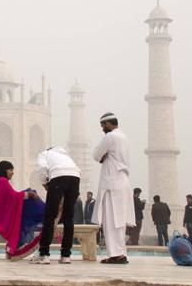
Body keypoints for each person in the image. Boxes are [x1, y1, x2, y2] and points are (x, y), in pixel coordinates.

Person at [91, 112, 135, 264]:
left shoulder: (110, 137)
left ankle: (116, 254)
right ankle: (120, 253)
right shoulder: (124, 137)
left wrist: (103, 157)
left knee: (111, 219)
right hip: (122, 181)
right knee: (119, 220)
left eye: (103, 125)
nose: (102, 128)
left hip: (112, 183)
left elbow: (96, 155)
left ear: (109, 123)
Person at [0, 161, 46, 261]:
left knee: (28, 197)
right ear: (4, 170)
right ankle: (46, 212)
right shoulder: (2, 181)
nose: (12, 172)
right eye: (10, 170)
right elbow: (12, 197)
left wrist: (27, 194)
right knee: (31, 196)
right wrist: (29, 194)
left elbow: (9, 198)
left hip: (2, 214)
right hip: (4, 215)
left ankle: (11, 249)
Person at [30, 147, 81, 265]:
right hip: (75, 178)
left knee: (50, 215)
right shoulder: (65, 156)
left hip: (58, 177)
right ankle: (66, 255)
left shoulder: (44, 153)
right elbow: (77, 170)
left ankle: (44, 254)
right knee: (69, 217)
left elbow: (42, 168)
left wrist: (45, 184)